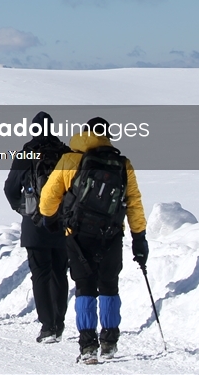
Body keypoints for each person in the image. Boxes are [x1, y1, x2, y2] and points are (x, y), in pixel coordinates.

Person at [39, 117, 148, 363]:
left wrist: (50, 219)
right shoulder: (121, 163)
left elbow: (48, 197)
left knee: (85, 287)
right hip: (111, 235)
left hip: (78, 236)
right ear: (107, 135)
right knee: (109, 285)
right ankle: (109, 341)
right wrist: (139, 237)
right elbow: (134, 203)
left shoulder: (70, 159)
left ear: (83, 132)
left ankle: (88, 346)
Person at [3, 111, 71, 343]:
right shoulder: (65, 153)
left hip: (35, 225)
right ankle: (59, 323)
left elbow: (10, 189)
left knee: (40, 275)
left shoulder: (25, 154)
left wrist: (23, 209)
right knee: (60, 273)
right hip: (62, 223)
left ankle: (47, 327)